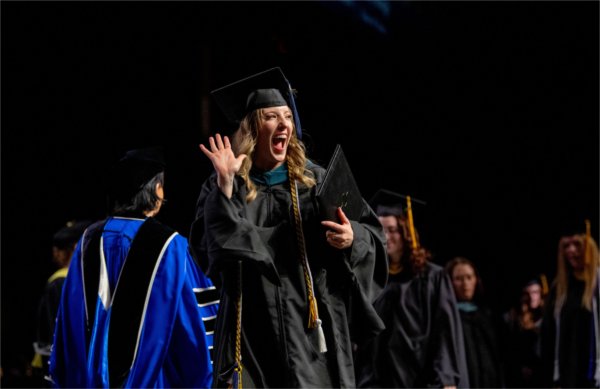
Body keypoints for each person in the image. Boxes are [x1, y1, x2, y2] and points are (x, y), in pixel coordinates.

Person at [189, 67, 387, 388]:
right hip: (250, 333)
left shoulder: (317, 181)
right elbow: (208, 252)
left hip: (313, 333)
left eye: (288, 117)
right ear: (253, 127)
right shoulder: (227, 185)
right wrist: (225, 187)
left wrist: (352, 239)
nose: (284, 125)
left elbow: (372, 236)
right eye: (271, 117)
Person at [49, 147, 218, 388]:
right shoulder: (171, 247)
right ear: (157, 191)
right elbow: (192, 329)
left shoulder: (88, 240)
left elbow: (69, 315)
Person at [356, 189, 469, 388]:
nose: (387, 237)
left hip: (421, 379)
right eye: (381, 231)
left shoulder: (433, 277)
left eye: (392, 230)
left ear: (405, 231)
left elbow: (445, 333)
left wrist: (446, 380)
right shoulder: (370, 279)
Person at [31, 219, 92, 385]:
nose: (55, 253)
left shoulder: (59, 282)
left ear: (73, 248)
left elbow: (54, 331)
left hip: (58, 367)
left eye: (59, 248)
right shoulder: (90, 281)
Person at [540, 219, 600, 388]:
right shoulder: (559, 289)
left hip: (594, 374)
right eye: (566, 246)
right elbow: (548, 335)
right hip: (567, 375)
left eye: (577, 244)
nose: (571, 251)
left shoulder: (598, 283)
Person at [446, 256, 504, 388]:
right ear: (449, 282)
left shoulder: (489, 316)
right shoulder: (448, 319)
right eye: (458, 279)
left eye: (469, 277)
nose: (465, 284)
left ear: (476, 280)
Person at [502, 275, 546, 387]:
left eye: (535, 292)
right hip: (519, 376)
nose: (531, 297)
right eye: (528, 293)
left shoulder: (548, 317)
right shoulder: (511, 318)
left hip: (543, 373)